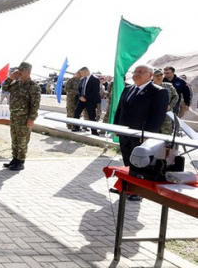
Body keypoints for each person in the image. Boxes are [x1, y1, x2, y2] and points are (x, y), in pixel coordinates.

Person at [114, 65, 169, 201]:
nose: (136, 74)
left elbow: (158, 116)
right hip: (125, 133)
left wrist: (148, 135)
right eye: (135, 72)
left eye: (140, 72)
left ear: (150, 75)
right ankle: (127, 187)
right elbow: (120, 109)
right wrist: (116, 127)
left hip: (141, 136)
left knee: (139, 163)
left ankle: (138, 191)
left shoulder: (159, 92)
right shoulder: (128, 89)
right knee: (127, 160)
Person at [1, 62, 41, 171]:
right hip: (14, 117)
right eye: (19, 69)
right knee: (15, 139)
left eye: (22, 70)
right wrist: (11, 78)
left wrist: (32, 119)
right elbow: (4, 88)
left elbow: (35, 104)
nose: (19, 72)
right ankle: (15, 159)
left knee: (23, 140)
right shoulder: (16, 84)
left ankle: (21, 162)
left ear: (28, 72)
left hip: (24, 118)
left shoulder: (33, 86)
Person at [72, 67, 101, 135]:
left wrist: (86, 97)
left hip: (90, 100)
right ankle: (76, 127)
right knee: (76, 113)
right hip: (81, 99)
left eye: (82, 73)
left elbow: (95, 91)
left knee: (91, 116)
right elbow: (79, 89)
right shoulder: (82, 80)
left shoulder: (95, 79)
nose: (81, 74)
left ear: (86, 72)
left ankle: (94, 131)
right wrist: (81, 97)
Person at [152, 69, 179, 134]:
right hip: (153, 114)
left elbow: (176, 96)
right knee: (153, 133)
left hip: (166, 114)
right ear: (152, 77)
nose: (159, 77)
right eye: (157, 76)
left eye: (161, 75)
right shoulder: (150, 87)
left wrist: (170, 106)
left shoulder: (169, 86)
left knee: (166, 133)